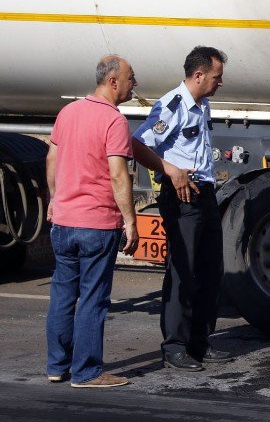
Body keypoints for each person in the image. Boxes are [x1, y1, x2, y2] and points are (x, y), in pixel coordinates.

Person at [133, 46, 231, 372]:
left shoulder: (202, 105)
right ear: (199, 74)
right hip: (181, 196)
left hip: (204, 193)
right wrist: (171, 170)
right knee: (182, 273)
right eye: (216, 77)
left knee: (210, 270)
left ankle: (200, 342)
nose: (220, 83)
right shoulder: (172, 105)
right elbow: (137, 143)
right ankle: (175, 346)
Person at [45, 55, 140, 388]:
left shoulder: (68, 112)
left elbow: (52, 158)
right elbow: (118, 174)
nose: (134, 84)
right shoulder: (114, 121)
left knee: (62, 294)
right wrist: (130, 220)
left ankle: (57, 366)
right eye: (131, 78)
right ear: (113, 82)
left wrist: (56, 200)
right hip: (97, 224)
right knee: (93, 297)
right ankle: (86, 372)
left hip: (64, 222)